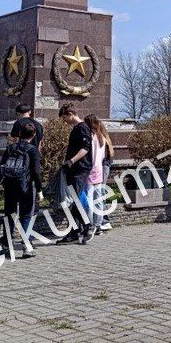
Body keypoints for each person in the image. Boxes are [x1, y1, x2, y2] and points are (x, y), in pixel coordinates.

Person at [0, 123, 42, 257]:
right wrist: (40, 189)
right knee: (26, 216)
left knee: (9, 215)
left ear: (19, 134)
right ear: (33, 135)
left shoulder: (10, 148)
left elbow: (1, 168)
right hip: (26, 187)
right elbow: (36, 172)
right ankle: (26, 246)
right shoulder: (32, 149)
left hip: (10, 185)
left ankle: (6, 245)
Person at [58, 104, 93, 243]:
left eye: (65, 118)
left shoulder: (83, 128)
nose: (64, 121)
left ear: (71, 114)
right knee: (73, 200)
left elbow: (85, 148)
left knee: (75, 198)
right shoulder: (76, 129)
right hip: (73, 169)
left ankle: (87, 226)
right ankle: (75, 230)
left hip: (80, 169)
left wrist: (72, 160)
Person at [85, 114, 114, 235]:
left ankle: (93, 224)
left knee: (91, 199)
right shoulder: (102, 137)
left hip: (93, 170)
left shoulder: (92, 138)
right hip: (99, 170)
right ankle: (99, 224)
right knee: (98, 197)